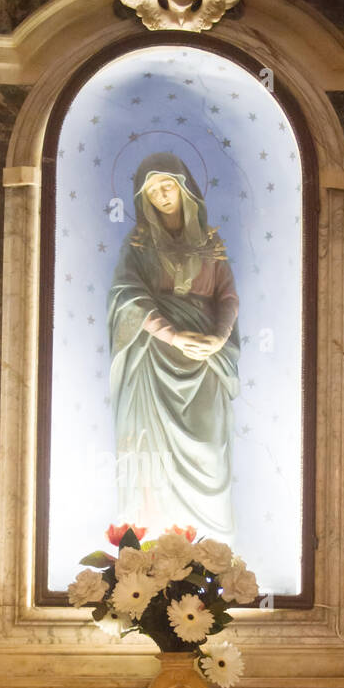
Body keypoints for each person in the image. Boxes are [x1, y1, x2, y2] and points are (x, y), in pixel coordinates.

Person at [107, 152, 240, 543]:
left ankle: (213, 553)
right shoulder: (138, 246)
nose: (161, 196)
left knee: (210, 455)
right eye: (152, 191)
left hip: (205, 362)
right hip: (153, 363)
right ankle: (154, 552)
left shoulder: (212, 244)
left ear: (184, 189)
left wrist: (219, 337)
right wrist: (170, 334)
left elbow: (228, 297)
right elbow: (126, 298)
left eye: (167, 186)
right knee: (154, 461)